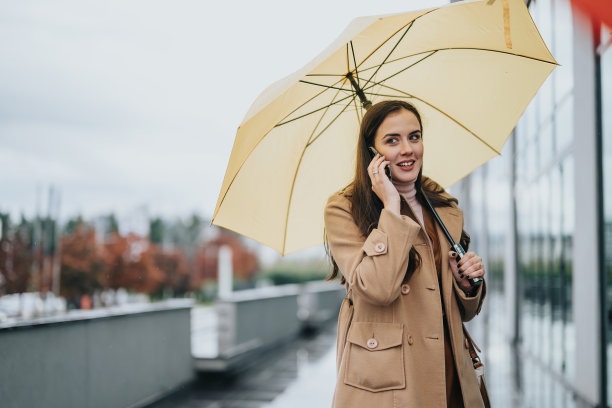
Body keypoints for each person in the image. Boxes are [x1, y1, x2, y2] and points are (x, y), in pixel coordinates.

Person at [324, 100, 486, 408]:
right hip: (392, 380)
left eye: (414, 136)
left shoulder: (440, 204)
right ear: (372, 152)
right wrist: (390, 208)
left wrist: (468, 286)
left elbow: (461, 310)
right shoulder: (344, 208)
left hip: (449, 366)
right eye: (392, 140)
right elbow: (379, 289)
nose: (408, 149)